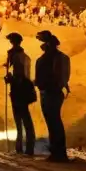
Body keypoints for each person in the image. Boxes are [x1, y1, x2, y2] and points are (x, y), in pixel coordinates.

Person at [34, 30, 71, 162]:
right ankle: (57, 151)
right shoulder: (59, 58)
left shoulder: (52, 59)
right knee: (53, 122)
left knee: (54, 122)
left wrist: (41, 83)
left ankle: (58, 152)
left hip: (51, 93)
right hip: (50, 92)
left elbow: (57, 77)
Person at [5, 32, 37, 155]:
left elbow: (20, 77)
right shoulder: (23, 56)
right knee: (23, 118)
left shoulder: (18, 57)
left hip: (19, 91)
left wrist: (10, 79)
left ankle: (24, 148)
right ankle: (25, 147)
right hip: (21, 90)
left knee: (22, 119)